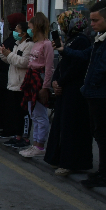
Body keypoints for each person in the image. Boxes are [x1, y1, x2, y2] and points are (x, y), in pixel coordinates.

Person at [56, 0, 106, 187]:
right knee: (99, 134)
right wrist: (64, 50)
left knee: (102, 134)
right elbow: (86, 55)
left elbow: (100, 68)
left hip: (100, 94)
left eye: (96, 20)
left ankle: (104, 174)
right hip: (92, 93)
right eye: (91, 20)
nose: (92, 24)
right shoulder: (96, 40)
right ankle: (102, 171)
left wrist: (90, 85)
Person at [43, 10, 93, 175]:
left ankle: (71, 162)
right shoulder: (71, 41)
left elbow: (77, 66)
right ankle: (58, 158)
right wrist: (56, 81)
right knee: (62, 124)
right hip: (65, 89)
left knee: (72, 127)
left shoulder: (82, 41)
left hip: (74, 90)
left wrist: (61, 82)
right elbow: (63, 63)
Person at [0, 14, 33, 150]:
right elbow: (10, 60)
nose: (15, 32)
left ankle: (25, 137)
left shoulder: (29, 45)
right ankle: (17, 136)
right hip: (13, 83)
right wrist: (2, 52)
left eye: (17, 29)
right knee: (15, 113)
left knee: (23, 113)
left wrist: (8, 54)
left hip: (22, 84)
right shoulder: (17, 44)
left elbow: (23, 62)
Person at [18, 12, 54, 158]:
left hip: (39, 79)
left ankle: (40, 144)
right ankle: (35, 143)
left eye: (31, 27)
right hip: (31, 78)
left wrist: (45, 87)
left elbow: (49, 67)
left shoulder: (47, 45)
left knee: (40, 114)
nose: (30, 30)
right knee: (33, 113)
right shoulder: (36, 44)